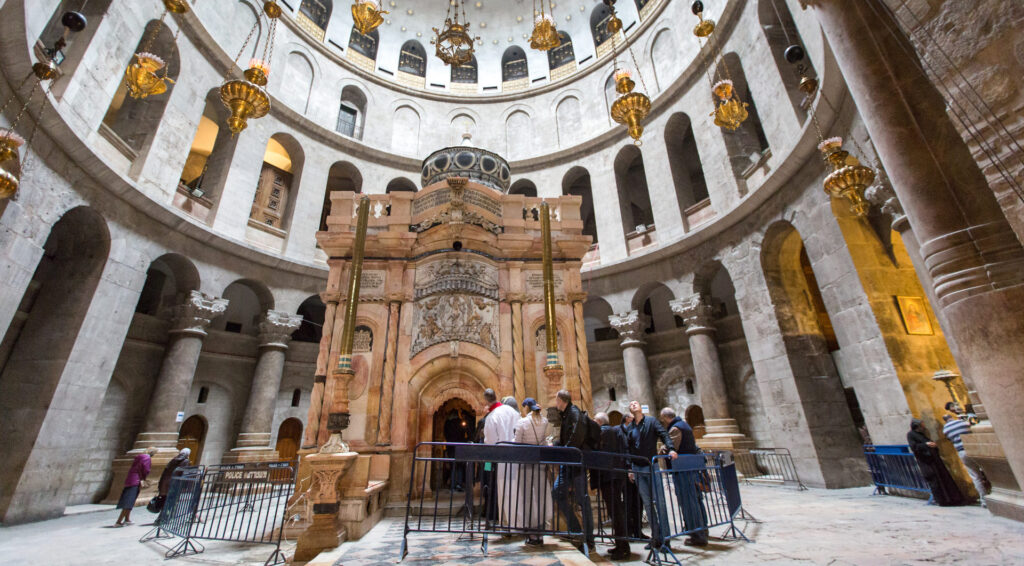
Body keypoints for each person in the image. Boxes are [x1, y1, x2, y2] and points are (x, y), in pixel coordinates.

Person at [625, 400, 677, 551]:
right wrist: (629, 468)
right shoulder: (630, 427)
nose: (633, 405)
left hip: (651, 466)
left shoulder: (652, 422)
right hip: (637, 468)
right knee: (647, 504)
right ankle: (656, 538)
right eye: (631, 404)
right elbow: (628, 449)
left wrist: (671, 448)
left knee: (659, 503)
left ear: (641, 407)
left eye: (636, 403)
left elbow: (664, 435)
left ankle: (665, 539)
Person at [551, 389, 594, 552]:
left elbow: (577, 436)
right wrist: (557, 445)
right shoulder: (567, 414)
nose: (556, 404)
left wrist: (566, 450)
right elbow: (567, 438)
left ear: (561, 400)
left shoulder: (575, 413)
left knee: (583, 500)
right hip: (567, 463)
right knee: (556, 492)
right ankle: (576, 530)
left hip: (575, 464)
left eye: (557, 401)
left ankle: (589, 539)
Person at [659, 408, 707, 547]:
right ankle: (703, 528)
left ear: (665, 418)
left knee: (689, 501)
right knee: (697, 500)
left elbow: (671, 448)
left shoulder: (675, 428)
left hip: (683, 470)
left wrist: (662, 449)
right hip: (690, 468)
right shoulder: (685, 425)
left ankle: (697, 535)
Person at [593, 412, 631, 560]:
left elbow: (597, 450)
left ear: (599, 422)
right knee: (616, 511)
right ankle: (620, 544)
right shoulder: (617, 431)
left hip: (608, 476)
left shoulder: (603, 432)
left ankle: (623, 548)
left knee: (615, 512)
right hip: (617, 474)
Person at [514, 397, 550, 546]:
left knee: (528, 497)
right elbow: (544, 441)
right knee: (540, 496)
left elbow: (517, 443)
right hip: (539, 463)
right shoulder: (545, 421)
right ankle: (541, 531)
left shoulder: (522, 422)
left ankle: (532, 533)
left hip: (526, 463)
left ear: (526, 408)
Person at [907, 418, 966, 506]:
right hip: (927, 462)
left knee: (944, 479)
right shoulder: (911, 435)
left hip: (935, 460)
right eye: (922, 424)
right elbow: (914, 447)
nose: (924, 426)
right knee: (935, 481)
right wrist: (926, 445)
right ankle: (942, 500)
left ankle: (953, 499)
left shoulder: (922, 434)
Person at [484, 393, 519, 528]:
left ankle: (496, 516)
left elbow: (489, 440)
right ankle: (510, 521)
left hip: (491, 460)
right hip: (510, 457)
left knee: (490, 483)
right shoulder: (515, 416)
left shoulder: (491, 417)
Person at [942, 413, 989, 507]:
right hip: (974, 449)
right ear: (952, 417)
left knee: (975, 476)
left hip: (962, 451)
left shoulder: (946, 429)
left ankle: (984, 500)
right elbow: (971, 429)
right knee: (988, 471)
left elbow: (950, 439)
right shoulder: (962, 423)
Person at [114, 447, 156, 527]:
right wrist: (144, 478)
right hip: (136, 480)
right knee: (129, 501)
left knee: (130, 500)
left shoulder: (139, 456)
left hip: (130, 479)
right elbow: (146, 469)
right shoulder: (147, 458)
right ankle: (118, 521)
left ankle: (127, 519)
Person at [620, 411, 642, 538]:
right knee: (628, 501)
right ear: (627, 419)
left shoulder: (635, 431)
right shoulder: (621, 431)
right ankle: (628, 530)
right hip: (627, 471)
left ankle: (638, 530)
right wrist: (629, 468)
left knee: (638, 502)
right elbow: (625, 450)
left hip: (637, 468)